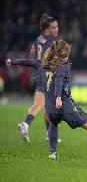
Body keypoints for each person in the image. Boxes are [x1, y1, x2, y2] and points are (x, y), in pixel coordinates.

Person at [6, 40, 87, 162]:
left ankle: (53, 153)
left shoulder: (41, 63)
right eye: (66, 54)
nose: (67, 56)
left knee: (53, 125)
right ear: (62, 54)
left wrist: (13, 62)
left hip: (50, 108)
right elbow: (59, 79)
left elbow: (28, 62)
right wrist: (59, 98)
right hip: (65, 106)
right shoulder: (64, 65)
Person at [16, 13, 61, 143]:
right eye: (53, 27)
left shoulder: (39, 39)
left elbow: (32, 53)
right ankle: (25, 124)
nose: (56, 29)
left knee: (47, 107)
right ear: (47, 29)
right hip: (46, 76)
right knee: (41, 104)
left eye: (57, 27)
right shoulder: (52, 42)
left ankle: (49, 134)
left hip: (38, 74)